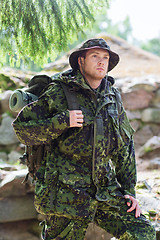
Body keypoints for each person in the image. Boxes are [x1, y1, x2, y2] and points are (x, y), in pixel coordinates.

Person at [12, 38, 156, 240]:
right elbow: (22, 130)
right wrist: (61, 121)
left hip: (104, 192)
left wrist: (129, 190)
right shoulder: (58, 93)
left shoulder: (112, 97)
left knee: (142, 233)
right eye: (95, 56)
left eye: (105, 58)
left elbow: (125, 146)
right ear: (81, 61)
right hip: (66, 195)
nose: (101, 62)